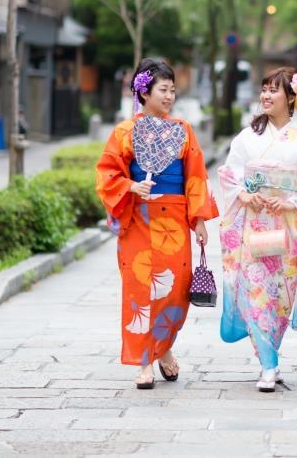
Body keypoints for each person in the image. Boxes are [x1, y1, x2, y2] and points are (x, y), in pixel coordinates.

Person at [96, 57, 217, 390]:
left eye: (172, 90)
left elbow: (196, 176)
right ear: (143, 91)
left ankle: (164, 349)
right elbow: (107, 172)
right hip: (138, 218)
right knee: (140, 291)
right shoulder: (124, 131)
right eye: (163, 89)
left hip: (176, 219)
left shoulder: (183, 130)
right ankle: (144, 361)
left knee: (175, 291)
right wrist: (131, 186)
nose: (169, 96)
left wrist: (201, 219)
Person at [215, 66, 297, 392]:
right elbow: (229, 173)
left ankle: (272, 355)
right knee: (257, 295)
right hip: (253, 227)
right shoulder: (247, 137)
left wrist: (293, 202)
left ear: (291, 97)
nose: (266, 96)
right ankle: (268, 365)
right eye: (264, 89)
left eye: (273, 90)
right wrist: (243, 194)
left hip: (286, 229)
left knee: (280, 297)